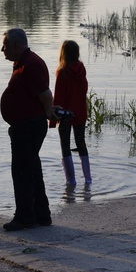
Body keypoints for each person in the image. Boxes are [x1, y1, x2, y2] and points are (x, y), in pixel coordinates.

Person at [0, 28, 56, 231]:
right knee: (32, 169)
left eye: (5, 46)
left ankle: (24, 217)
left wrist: (50, 113)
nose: (2, 50)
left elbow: (45, 94)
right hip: (24, 125)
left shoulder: (31, 63)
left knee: (22, 171)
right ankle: (41, 214)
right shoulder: (22, 62)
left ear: (16, 45)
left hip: (29, 125)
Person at [50, 40, 92, 186]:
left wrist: (53, 120)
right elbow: (84, 91)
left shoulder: (62, 72)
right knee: (81, 143)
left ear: (64, 53)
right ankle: (88, 179)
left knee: (65, 146)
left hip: (66, 114)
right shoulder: (81, 69)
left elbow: (58, 97)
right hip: (80, 112)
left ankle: (71, 181)